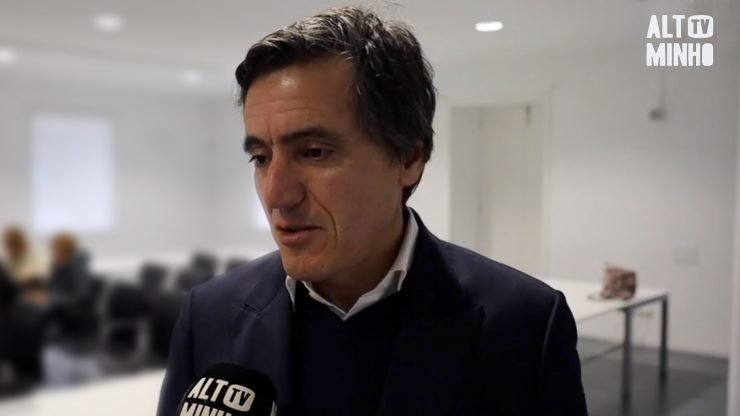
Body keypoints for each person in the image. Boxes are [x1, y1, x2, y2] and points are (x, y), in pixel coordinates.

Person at [158, 6, 587, 416]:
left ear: (408, 158)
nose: (276, 194)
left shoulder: (525, 325)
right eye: (261, 157)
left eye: (314, 152)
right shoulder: (209, 314)